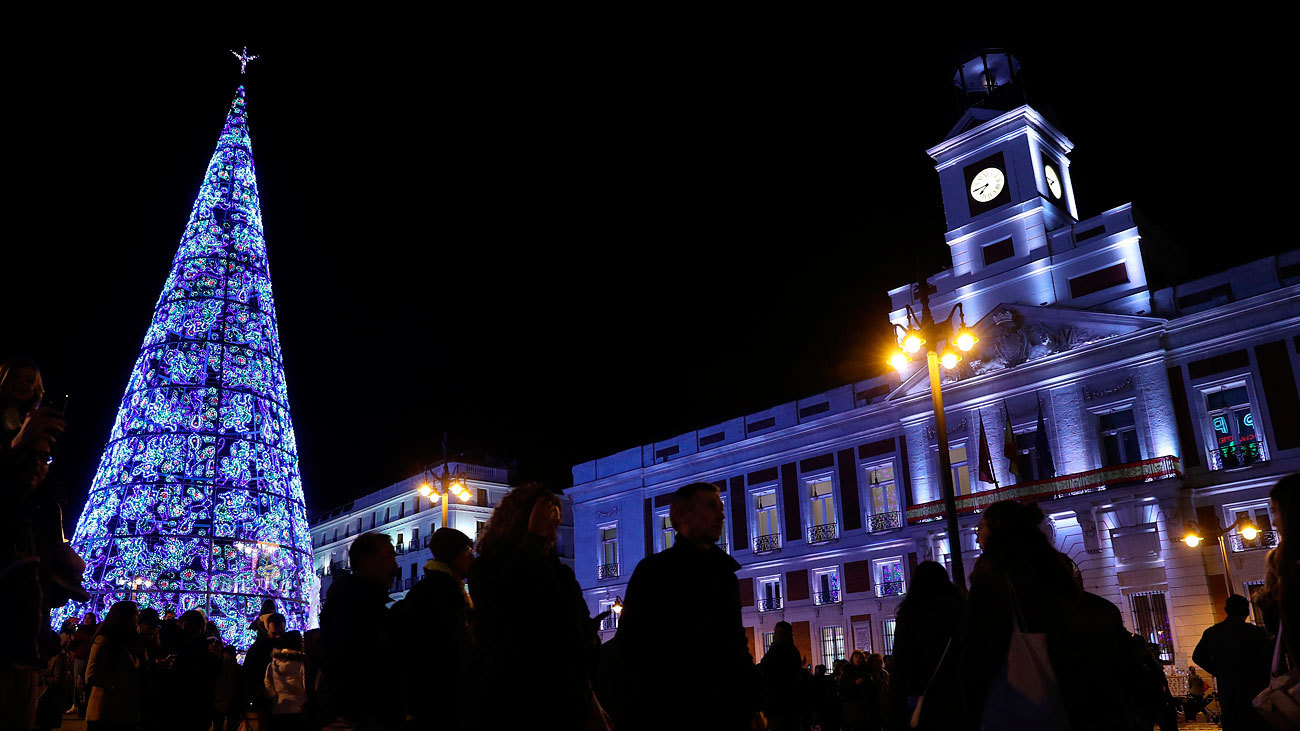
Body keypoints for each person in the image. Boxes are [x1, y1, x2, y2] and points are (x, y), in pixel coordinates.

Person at [616, 482, 759, 730]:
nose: (721, 515)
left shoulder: (725, 575)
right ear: (682, 516)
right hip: (668, 712)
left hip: (721, 714)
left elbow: (735, 646)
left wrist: (750, 705)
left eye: (721, 508)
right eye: (711, 507)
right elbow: (631, 648)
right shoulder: (653, 573)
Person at [469, 483, 597, 730]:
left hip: (561, 701)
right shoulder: (487, 568)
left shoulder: (559, 572)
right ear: (521, 523)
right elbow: (510, 600)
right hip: (510, 701)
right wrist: (533, 540)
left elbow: (577, 627)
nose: (553, 535)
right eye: (547, 525)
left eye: (555, 526)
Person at [390, 526, 474, 728]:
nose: (472, 557)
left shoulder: (443, 590)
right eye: (467, 551)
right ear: (454, 556)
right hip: (439, 703)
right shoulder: (439, 593)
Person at [321, 531, 398, 730]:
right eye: (389, 556)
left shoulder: (361, 602)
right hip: (358, 715)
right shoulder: (355, 606)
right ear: (366, 561)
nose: (395, 565)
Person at [890, 560, 963, 730]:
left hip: (924, 704)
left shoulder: (910, 616)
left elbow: (901, 671)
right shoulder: (962, 610)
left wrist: (894, 718)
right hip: (960, 700)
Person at [1193, 594, 1272, 730]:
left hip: (1228, 688)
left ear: (1226, 610)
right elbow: (1269, 660)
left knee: (1232, 722)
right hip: (1255, 688)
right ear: (1246, 612)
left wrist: (1218, 670)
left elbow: (1198, 656)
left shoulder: (1213, 632)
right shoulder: (1256, 633)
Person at [1256, 474, 1299, 672]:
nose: (1273, 522)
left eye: (1275, 512)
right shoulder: (1282, 561)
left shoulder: (1285, 563)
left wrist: (1266, 598)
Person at [84, 600, 142, 731]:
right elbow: (90, 675)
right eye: (136, 613)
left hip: (126, 712)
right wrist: (112, 685)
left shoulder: (132, 642)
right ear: (125, 617)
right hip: (104, 710)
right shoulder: (103, 640)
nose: (138, 617)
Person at [759, 621, 809, 731]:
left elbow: (765, 668)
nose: (774, 635)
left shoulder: (778, 649)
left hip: (778, 705)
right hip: (790, 705)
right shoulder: (792, 650)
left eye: (776, 632)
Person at [244, 611, 286, 728]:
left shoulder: (285, 644)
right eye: (274, 633)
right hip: (264, 696)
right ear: (267, 628)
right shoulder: (259, 647)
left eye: (280, 633)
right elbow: (249, 671)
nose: (278, 636)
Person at [264, 630, 309, 731]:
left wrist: (275, 698)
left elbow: (268, 686)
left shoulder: (272, 665)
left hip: (278, 709)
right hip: (299, 709)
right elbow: (306, 686)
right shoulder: (302, 664)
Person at [67, 612, 97, 717]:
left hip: (90, 658)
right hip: (80, 658)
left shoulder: (95, 631)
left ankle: (86, 704)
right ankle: (76, 704)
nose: (87, 620)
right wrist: (72, 641)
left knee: (88, 681)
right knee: (77, 681)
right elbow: (71, 645)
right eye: (86, 618)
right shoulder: (80, 630)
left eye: (90, 618)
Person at [840, 650, 878, 731]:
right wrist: (854, 683)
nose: (858, 659)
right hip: (852, 703)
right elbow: (842, 686)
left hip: (865, 703)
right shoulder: (847, 671)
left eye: (860, 657)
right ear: (852, 659)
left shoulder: (867, 670)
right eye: (856, 657)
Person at [212, 645, 243, 731]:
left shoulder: (217, 667)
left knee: (218, 726)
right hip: (234, 703)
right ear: (234, 654)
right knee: (232, 726)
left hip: (218, 702)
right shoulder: (239, 669)